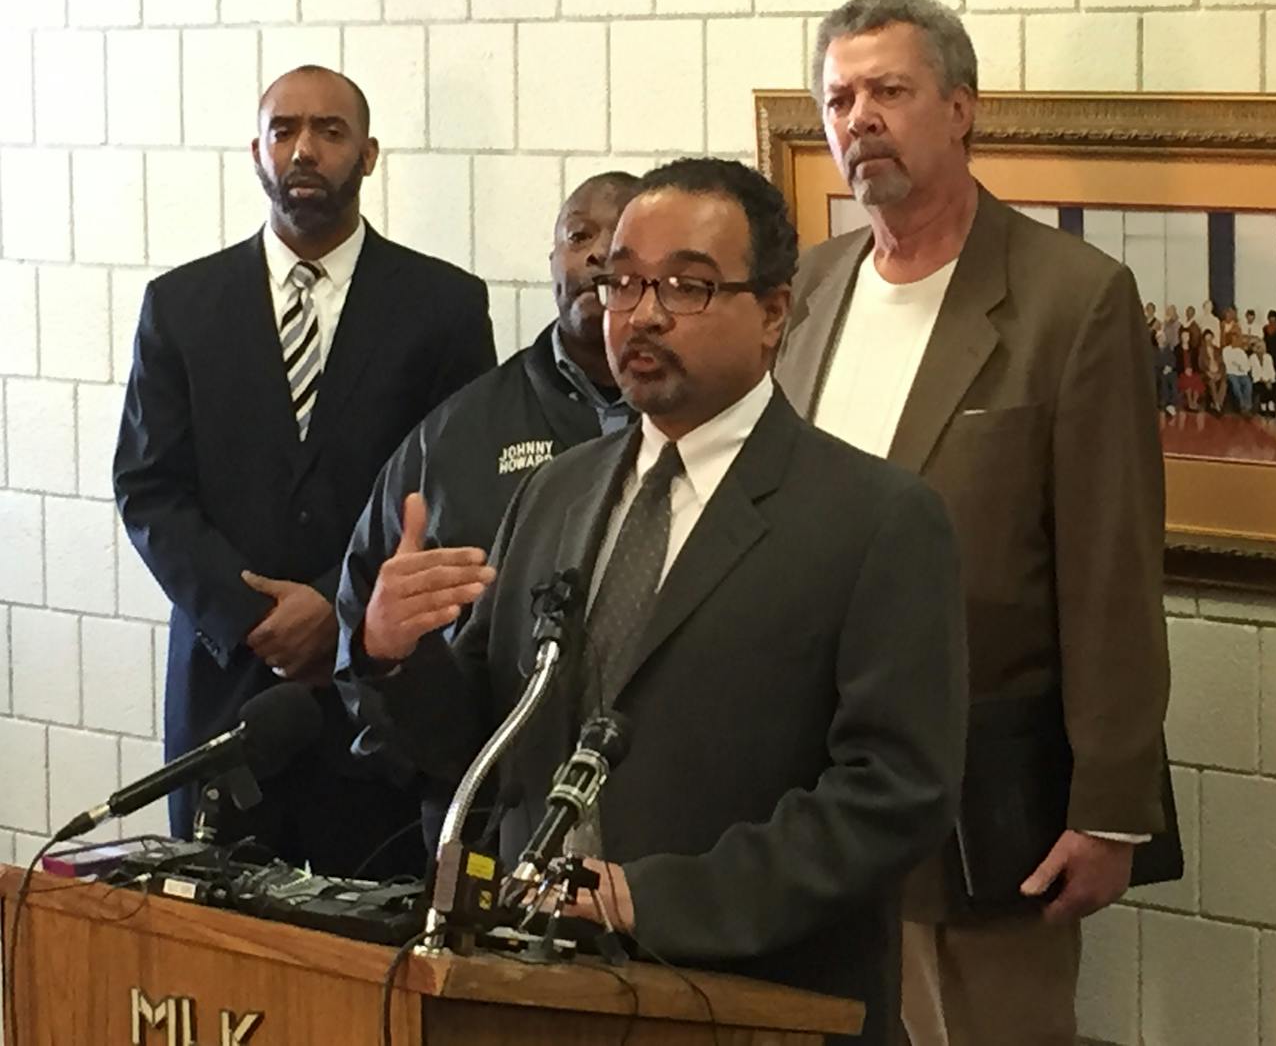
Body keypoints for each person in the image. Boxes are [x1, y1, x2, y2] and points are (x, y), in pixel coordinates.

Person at [346, 158, 968, 1045]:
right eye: (623, 281)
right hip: (534, 993)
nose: (642, 312)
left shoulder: (876, 520)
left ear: (775, 316)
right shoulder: (556, 494)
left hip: (752, 1001)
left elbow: (895, 796)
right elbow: (486, 748)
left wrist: (655, 900)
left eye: (687, 286)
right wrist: (393, 656)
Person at [777, 0, 1178, 1045]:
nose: (857, 117)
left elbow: (1110, 572)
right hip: (800, 785)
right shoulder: (808, 287)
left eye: (887, 91)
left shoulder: (1069, 298)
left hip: (978, 786)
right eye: (837, 98)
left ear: (958, 109)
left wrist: (1105, 809)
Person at [113, 66, 495, 875]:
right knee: (218, 942)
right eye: (284, 130)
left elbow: (459, 490)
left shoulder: (445, 307)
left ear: (369, 154)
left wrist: (335, 606)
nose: (304, 150)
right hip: (225, 686)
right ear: (256, 150)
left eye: (329, 131)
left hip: (376, 692)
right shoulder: (181, 305)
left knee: (363, 951)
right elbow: (150, 488)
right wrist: (252, 618)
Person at [334, 171, 640, 846]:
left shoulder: (704, 425)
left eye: (620, 237)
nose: (596, 253)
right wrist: (387, 653)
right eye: (578, 235)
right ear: (553, 261)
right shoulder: (453, 437)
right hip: (492, 827)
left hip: (668, 826)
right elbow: (365, 632)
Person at [1222, 333, 1253, 414]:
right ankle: (1242, 405)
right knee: (1236, 386)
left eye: (1236, 339)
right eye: (1233, 339)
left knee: (1248, 385)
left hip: (1242, 373)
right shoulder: (1226, 350)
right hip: (1231, 373)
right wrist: (1237, 365)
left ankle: (1248, 406)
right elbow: (1228, 363)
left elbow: (1246, 365)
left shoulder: (1241, 352)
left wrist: (1242, 368)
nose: (1235, 341)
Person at [1175, 327, 1204, 412]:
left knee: (1196, 379)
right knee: (1187, 380)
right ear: (1180, 337)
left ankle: (1194, 402)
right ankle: (1190, 402)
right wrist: (1185, 370)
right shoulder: (1177, 349)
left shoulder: (1193, 349)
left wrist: (1192, 370)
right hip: (1182, 372)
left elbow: (1195, 363)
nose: (1185, 337)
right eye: (1183, 336)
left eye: (1187, 336)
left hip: (1192, 371)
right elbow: (1176, 364)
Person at [1200, 329, 1228, 415]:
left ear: (1213, 338)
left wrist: (1220, 373)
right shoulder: (1202, 351)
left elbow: (1223, 364)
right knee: (1211, 383)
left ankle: (1218, 404)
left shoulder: (1217, 350)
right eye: (1206, 339)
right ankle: (1217, 404)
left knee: (1224, 383)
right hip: (1207, 374)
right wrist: (1208, 373)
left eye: (1210, 339)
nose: (1208, 341)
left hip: (1218, 372)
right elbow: (1200, 365)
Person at [1153, 328, 1178, 417]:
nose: (1161, 339)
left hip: (1168, 370)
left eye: (1162, 337)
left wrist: (1169, 367)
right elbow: (1154, 363)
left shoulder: (1168, 350)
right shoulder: (1154, 350)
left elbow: (1173, 361)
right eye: (1159, 338)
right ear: (1157, 339)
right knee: (1162, 378)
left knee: (1173, 377)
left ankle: (1172, 403)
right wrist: (1163, 368)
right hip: (1158, 371)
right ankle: (1164, 402)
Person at [1249, 341, 1276, 416]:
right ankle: (1263, 407)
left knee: (1272, 387)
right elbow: (1254, 372)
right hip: (1258, 380)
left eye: (1262, 348)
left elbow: (1271, 370)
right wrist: (1264, 381)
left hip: (1269, 379)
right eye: (1258, 348)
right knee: (1263, 387)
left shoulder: (1268, 357)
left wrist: (1270, 380)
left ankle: (1271, 407)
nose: (1260, 350)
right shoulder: (1252, 358)